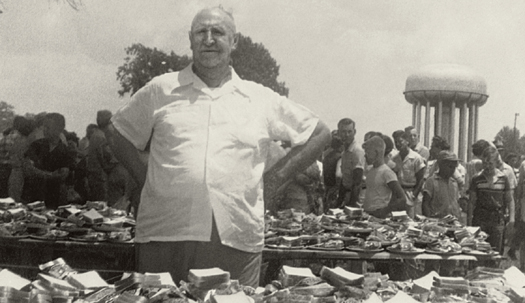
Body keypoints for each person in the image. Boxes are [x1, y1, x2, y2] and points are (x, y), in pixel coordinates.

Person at [100, 7, 330, 287]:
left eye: (218, 32)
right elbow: (117, 131)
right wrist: (146, 178)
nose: (208, 39)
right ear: (190, 39)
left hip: (234, 235)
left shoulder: (258, 98)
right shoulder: (161, 89)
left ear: (234, 42)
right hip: (164, 232)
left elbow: (319, 133)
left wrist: (273, 181)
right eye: (201, 32)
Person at [468, 146, 514, 254]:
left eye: (490, 163)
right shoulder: (476, 179)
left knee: (495, 253)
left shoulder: (503, 178)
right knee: (478, 252)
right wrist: (469, 221)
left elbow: (509, 200)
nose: (487, 166)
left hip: (497, 221)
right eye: (485, 163)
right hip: (480, 220)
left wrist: (512, 219)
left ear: (496, 163)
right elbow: (471, 201)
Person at [22, 113, 74, 209]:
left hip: (53, 196)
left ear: (60, 129)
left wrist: (40, 172)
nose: (44, 130)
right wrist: (49, 175)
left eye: (48, 127)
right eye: (44, 127)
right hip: (32, 194)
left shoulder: (65, 151)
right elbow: (27, 168)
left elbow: (63, 174)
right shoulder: (37, 145)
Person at [362, 136, 406, 218]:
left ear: (376, 152)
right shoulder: (370, 170)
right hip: (368, 214)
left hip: (379, 215)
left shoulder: (387, 172)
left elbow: (402, 198)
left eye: (367, 152)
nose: (365, 155)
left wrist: (385, 210)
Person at [392, 130, 426, 218]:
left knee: (411, 221)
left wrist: (413, 195)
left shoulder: (416, 158)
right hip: (398, 194)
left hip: (411, 193)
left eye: (400, 141)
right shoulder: (394, 159)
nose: (398, 144)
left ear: (407, 141)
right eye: (396, 142)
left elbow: (421, 179)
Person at [422, 150, 462, 219]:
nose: (452, 170)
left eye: (454, 167)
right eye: (449, 167)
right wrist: (429, 220)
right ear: (441, 165)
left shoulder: (454, 183)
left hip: (453, 221)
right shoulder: (432, 181)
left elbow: (456, 202)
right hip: (438, 221)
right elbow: (425, 203)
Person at [337, 118, 365, 208]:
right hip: (347, 195)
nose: (347, 135)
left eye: (350, 131)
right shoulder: (345, 152)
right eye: (343, 132)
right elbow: (345, 179)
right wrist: (339, 202)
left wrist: (351, 206)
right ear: (339, 133)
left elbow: (357, 182)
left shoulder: (357, 150)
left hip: (357, 198)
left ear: (354, 132)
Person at [8, 116, 36, 202]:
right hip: (23, 171)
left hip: (17, 171)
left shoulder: (18, 140)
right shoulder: (27, 141)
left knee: (14, 197)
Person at [322, 132, 343, 210]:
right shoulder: (340, 157)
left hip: (326, 188)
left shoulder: (326, 157)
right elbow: (338, 175)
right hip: (334, 189)